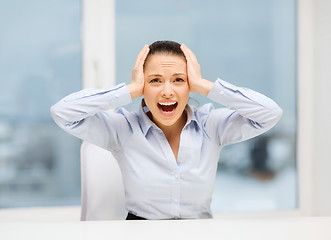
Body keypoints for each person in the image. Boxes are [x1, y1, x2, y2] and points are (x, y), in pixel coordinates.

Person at [50, 40, 282, 220]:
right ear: (143, 86)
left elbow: (269, 114)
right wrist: (129, 89)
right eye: (155, 81)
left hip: (200, 232)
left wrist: (205, 86)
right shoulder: (122, 129)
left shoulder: (211, 125)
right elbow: (63, 113)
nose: (167, 91)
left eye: (179, 80)